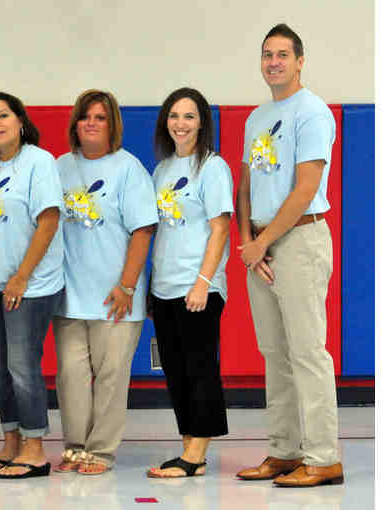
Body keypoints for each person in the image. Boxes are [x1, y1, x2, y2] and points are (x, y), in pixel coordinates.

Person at [235, 24, 343, 487]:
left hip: (298, 241)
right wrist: (249, 243)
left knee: (307, 352)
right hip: (259, 246)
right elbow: (245, 185)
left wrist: (265, 242)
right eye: (267, 54)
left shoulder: (312, 112)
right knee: (274, 354)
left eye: (282, 54)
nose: (273, 62)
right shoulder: (256, 118)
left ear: (300, 61)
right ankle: (285, 450)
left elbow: (306, 187)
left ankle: (323, 457)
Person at [52, 89, 158, 475]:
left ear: (112, 125)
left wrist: (127, 285)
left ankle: (101, 451)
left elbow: (143, 230)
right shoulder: (60, 167)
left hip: (116, 295)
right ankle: (75, 447)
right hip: (69, 294)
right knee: (71, 377)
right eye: (85, 117)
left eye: (100, 117)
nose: (91, 124)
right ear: (75, 124)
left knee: (111, 379)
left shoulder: (128, 168)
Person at [0, 92, 64, 479]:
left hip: (31, 284)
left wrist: (22, 276)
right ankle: (11, 442)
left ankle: (35, 448)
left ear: (20, 121)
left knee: (22, 366)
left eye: (3, 115)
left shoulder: (39, 162)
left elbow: (48, 220)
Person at [145, 87, 233, 478]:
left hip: (197, 287)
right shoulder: (162, 169)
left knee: (199, 368)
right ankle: (189, 450)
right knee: (176, 370)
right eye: (174, 116)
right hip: (164, 287)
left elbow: (220, 229)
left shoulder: (212, 167)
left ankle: (196, 454)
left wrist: (203, 282)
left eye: (189, 116)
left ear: (202, 123)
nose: (180, 124)